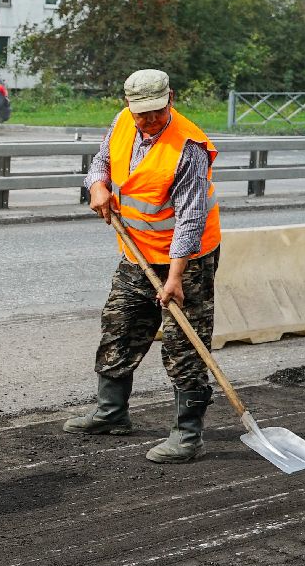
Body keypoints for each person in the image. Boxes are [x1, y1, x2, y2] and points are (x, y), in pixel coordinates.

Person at [62, 69, 222, 464]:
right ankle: (111, 413)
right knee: (119, 327)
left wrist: (176, 278)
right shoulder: (121, 122)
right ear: (129, 106)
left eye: (156, 111)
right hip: (136, 252)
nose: (149, 120)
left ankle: (188, 435)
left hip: (188, 260)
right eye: (141, 114)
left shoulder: (188, 147)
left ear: (171, 98)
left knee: (184, 344)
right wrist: (96, 184)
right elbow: (101, 161)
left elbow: (191, 218)